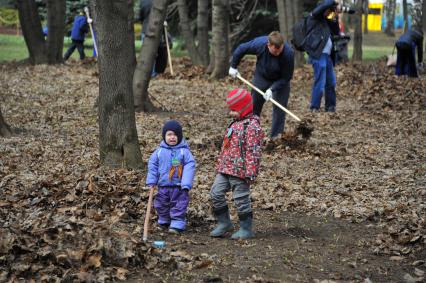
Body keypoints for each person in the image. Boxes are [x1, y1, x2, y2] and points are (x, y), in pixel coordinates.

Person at [210, 88, 264, 240]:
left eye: (235, 110)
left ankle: (246, 229)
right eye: (231, 110)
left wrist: (251, 172)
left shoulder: (252, 126)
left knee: (240, 199)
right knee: (215, 193)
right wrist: (220, 163)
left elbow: (253, 151)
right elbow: (226, 147)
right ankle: (224, 222)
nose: (231, 113)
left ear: (245, 108)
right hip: (225, 168)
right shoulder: (234, 123)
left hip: (240, 171)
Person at [229, 31, 294, 139]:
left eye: (279, 51)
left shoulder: (288, 53)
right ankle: (251, 133)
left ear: (282, 45)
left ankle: (275, 137)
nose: (277, 54)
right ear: (268, 45)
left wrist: (272, 89)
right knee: (254, 106)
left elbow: (286, 77)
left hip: (280, 81)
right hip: (262, 77)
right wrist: (233, 66)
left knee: (280, 109)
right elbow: (241, 48)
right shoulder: (259, 44)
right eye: (275, 52)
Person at [146, 120, 196, 233]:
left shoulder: (184, 152)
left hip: (179, 186)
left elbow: (190, 166)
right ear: (164, 136)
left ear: (179, 136)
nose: (172, 137)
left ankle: (177, 222)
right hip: (163, 185)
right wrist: (152, 180)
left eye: (175, 135)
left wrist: (186, 183)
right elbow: (153, 165)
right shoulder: (159, 152)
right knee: (161, 203)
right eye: (169, 134)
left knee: (179, 204)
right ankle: (164, 219)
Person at [304, 0, 341, 112]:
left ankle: (330, 106)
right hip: (318, 55)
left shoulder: (326, 21)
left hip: (328, 56)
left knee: (331, 82)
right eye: (328, 10)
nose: (328, 12)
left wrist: (335, 17)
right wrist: (334, 1)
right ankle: (314, 107)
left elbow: (336, 32)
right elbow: (322, 8)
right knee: (320, 82)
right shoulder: (313, 17)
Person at [139, 0, 171, 77]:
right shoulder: (160, 2)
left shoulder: (143, 2)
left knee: (147, 54)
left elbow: (140, 17)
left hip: (146, 30)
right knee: (156, 53)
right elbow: (166, 15)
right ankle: (154, 73)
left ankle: (151, 73)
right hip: (157, 30)